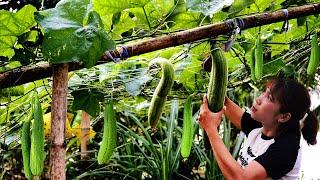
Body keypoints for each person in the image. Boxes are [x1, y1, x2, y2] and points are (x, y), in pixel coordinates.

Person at [198, 78, 319, 179]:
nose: (259, 99)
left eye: (269, 98)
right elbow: (224, 102)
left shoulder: (287, 148)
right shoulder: (264, 126)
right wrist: (214, 75)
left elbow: (241, 178)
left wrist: (210, 128)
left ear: (284, 117)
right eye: (265, 92)